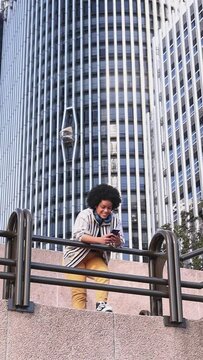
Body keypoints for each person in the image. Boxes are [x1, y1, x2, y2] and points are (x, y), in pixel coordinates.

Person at [63, 184, 124, 312]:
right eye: (103, 207)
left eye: (109, 208)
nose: (106, 211)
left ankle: (101, 304)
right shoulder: (85, 215)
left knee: (104, 275)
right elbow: (78, 235)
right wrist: (100, 240)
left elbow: (121, 242)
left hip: (94, 257)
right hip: (75, 257)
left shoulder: (115, 220)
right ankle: (79, 318)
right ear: (96, 205)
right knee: (79, 293)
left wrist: (117, 241)